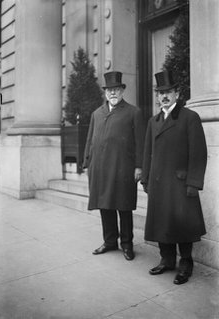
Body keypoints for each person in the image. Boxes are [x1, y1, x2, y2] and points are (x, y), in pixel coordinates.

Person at [141, 69, 207, 284]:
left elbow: (199, 154)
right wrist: (146, 178)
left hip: (180, 183)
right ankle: (167, 260)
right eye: (161, 93)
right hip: (159, 183)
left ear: (177, 94)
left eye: (168, 91)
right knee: (162, 223)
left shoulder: (190, 117)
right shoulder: (154, 121)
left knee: (182, 226)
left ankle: (186, 263)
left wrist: (193, 183)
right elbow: (148, 152)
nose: (165, 96)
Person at [83, 71, 144, 261]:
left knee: (124, 207)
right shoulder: (97, 114)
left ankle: (127, 244)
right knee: (105, 206)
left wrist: (139, 166)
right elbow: (90, 139)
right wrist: (87, 163)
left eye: (116, 89)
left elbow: (140, 142)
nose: (113, 93)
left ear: (122, 91)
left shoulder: (134, 112)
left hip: (123, 168)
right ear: (105, 92)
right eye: (109, 90)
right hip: (100, 168)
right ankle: (110, 242)